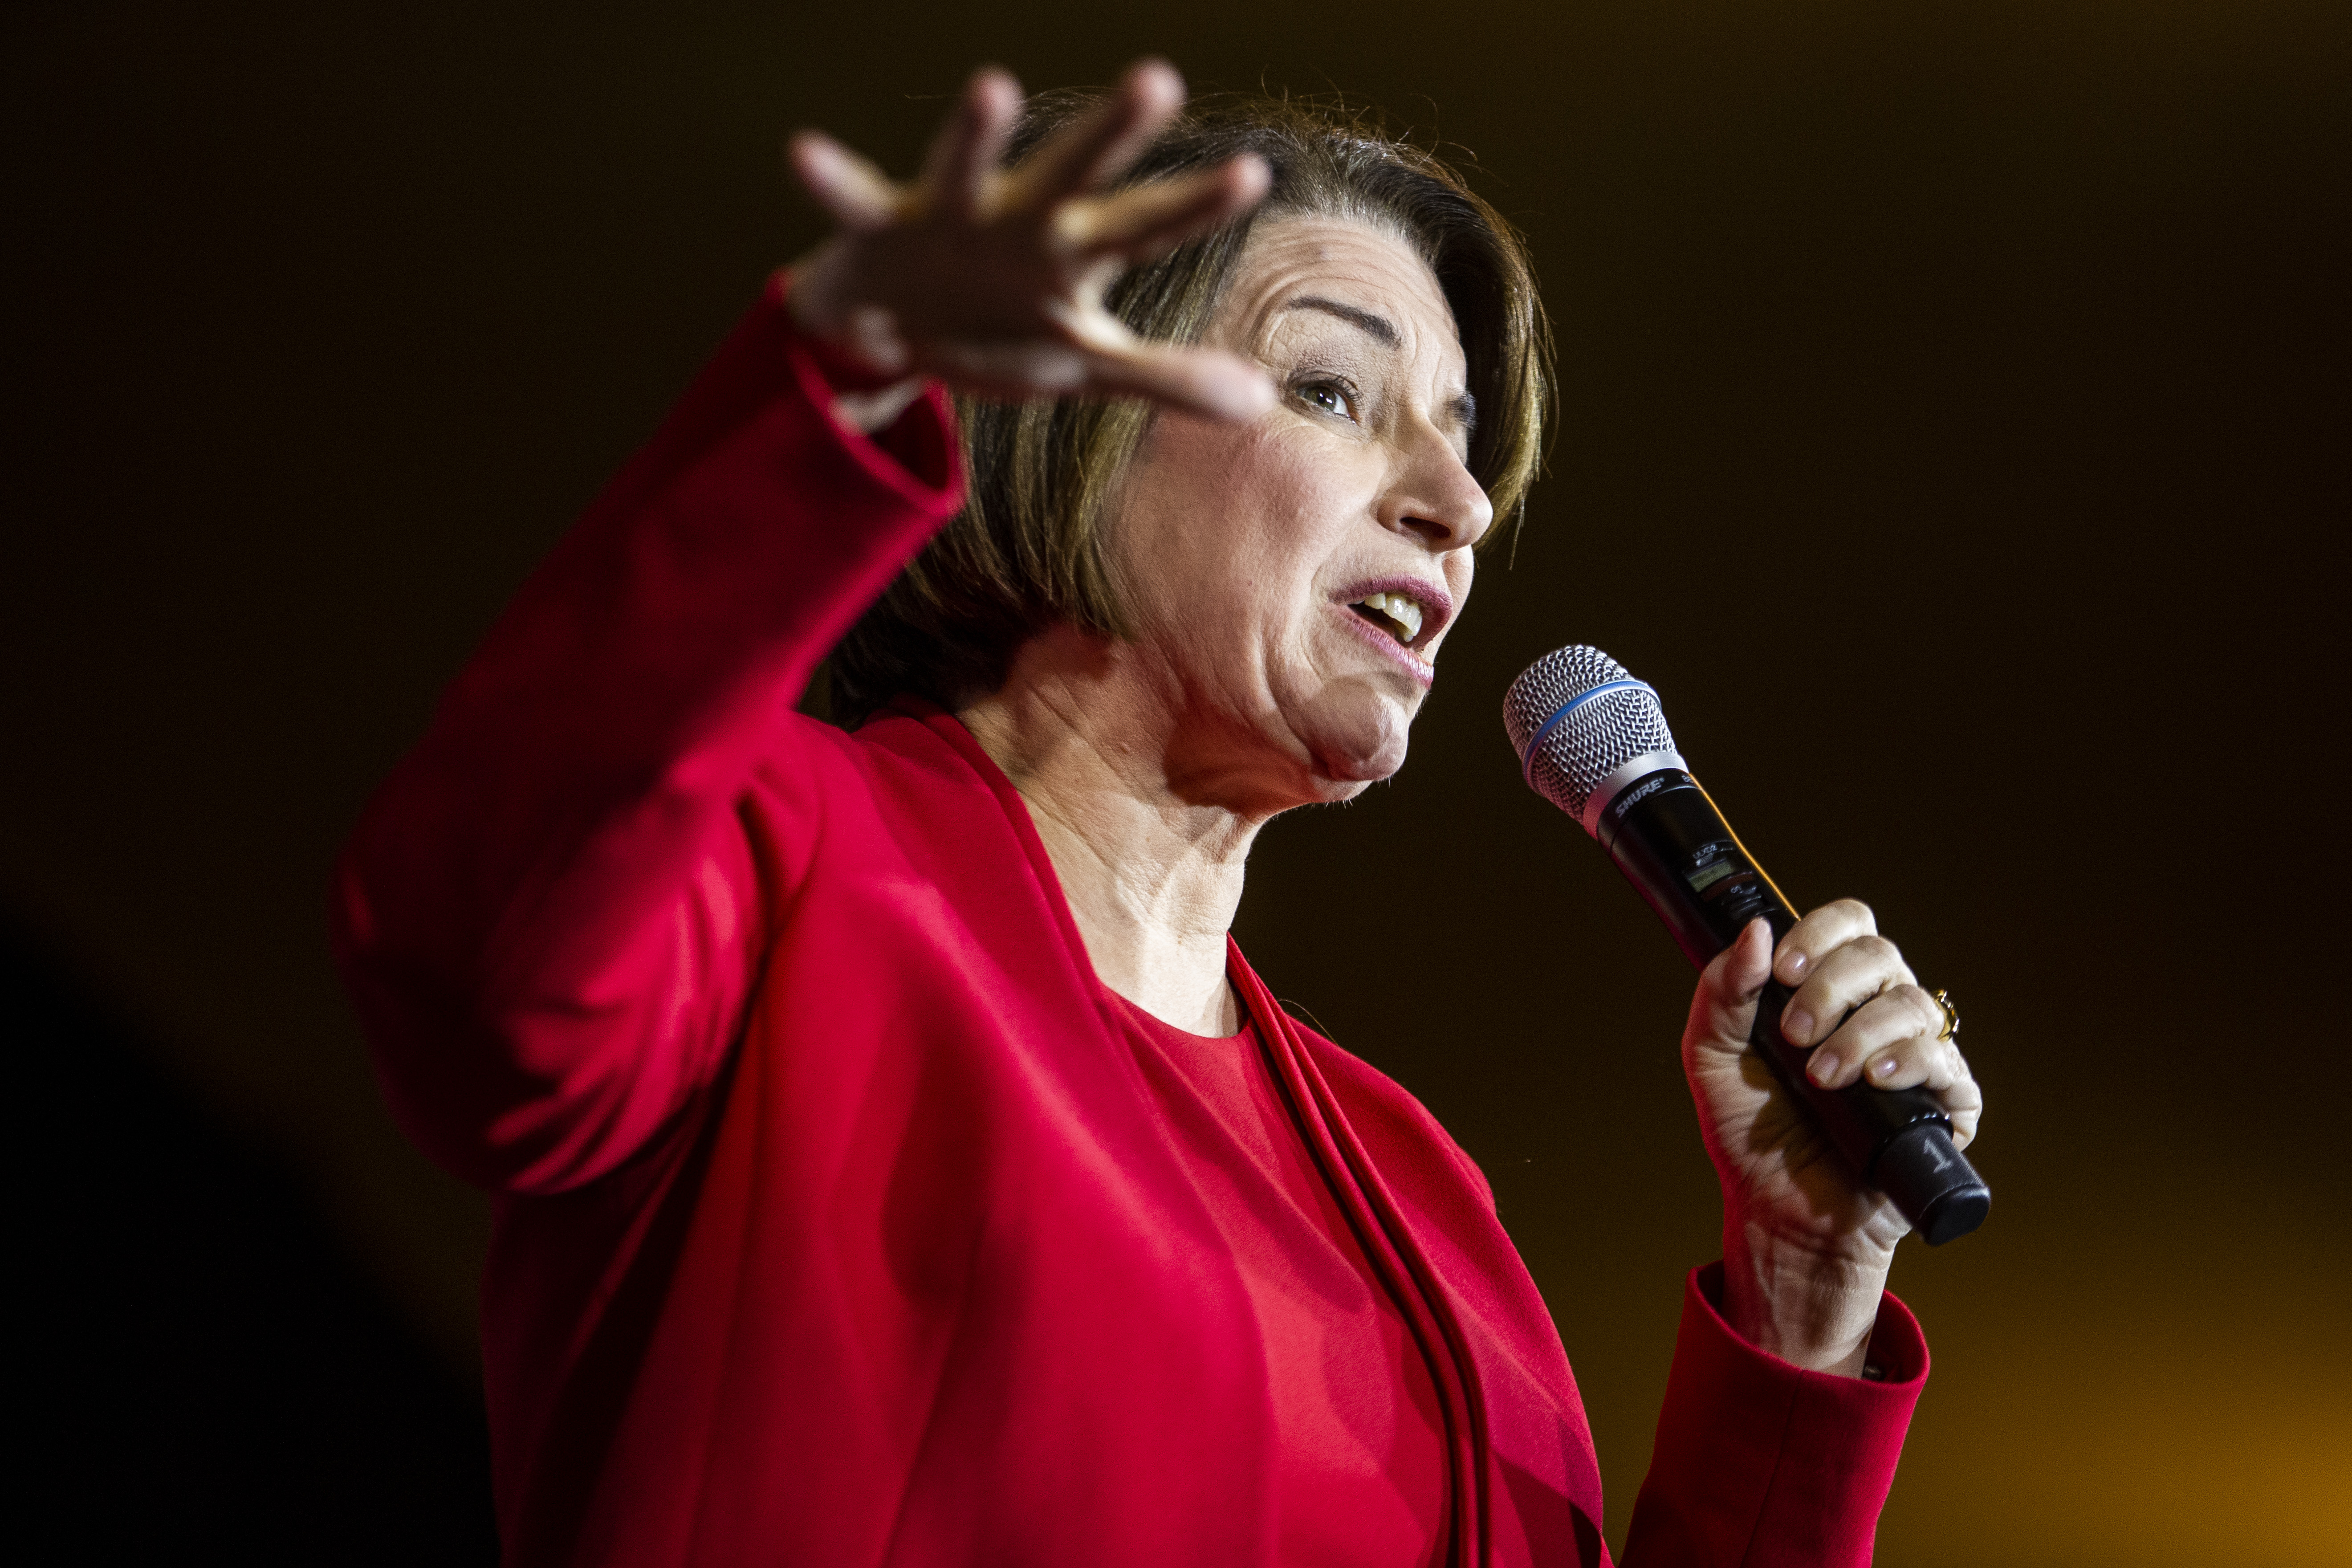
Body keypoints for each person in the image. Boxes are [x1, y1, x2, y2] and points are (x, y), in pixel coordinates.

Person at [333, 60, 1984, 1568]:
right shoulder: (790, 870)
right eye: (1335, 393)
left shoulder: (1423, 1200)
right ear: (1066, 415)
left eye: (1464, 442)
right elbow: (481, 972)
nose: (1461, 503)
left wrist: (1801, 1300)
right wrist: (831, 390)